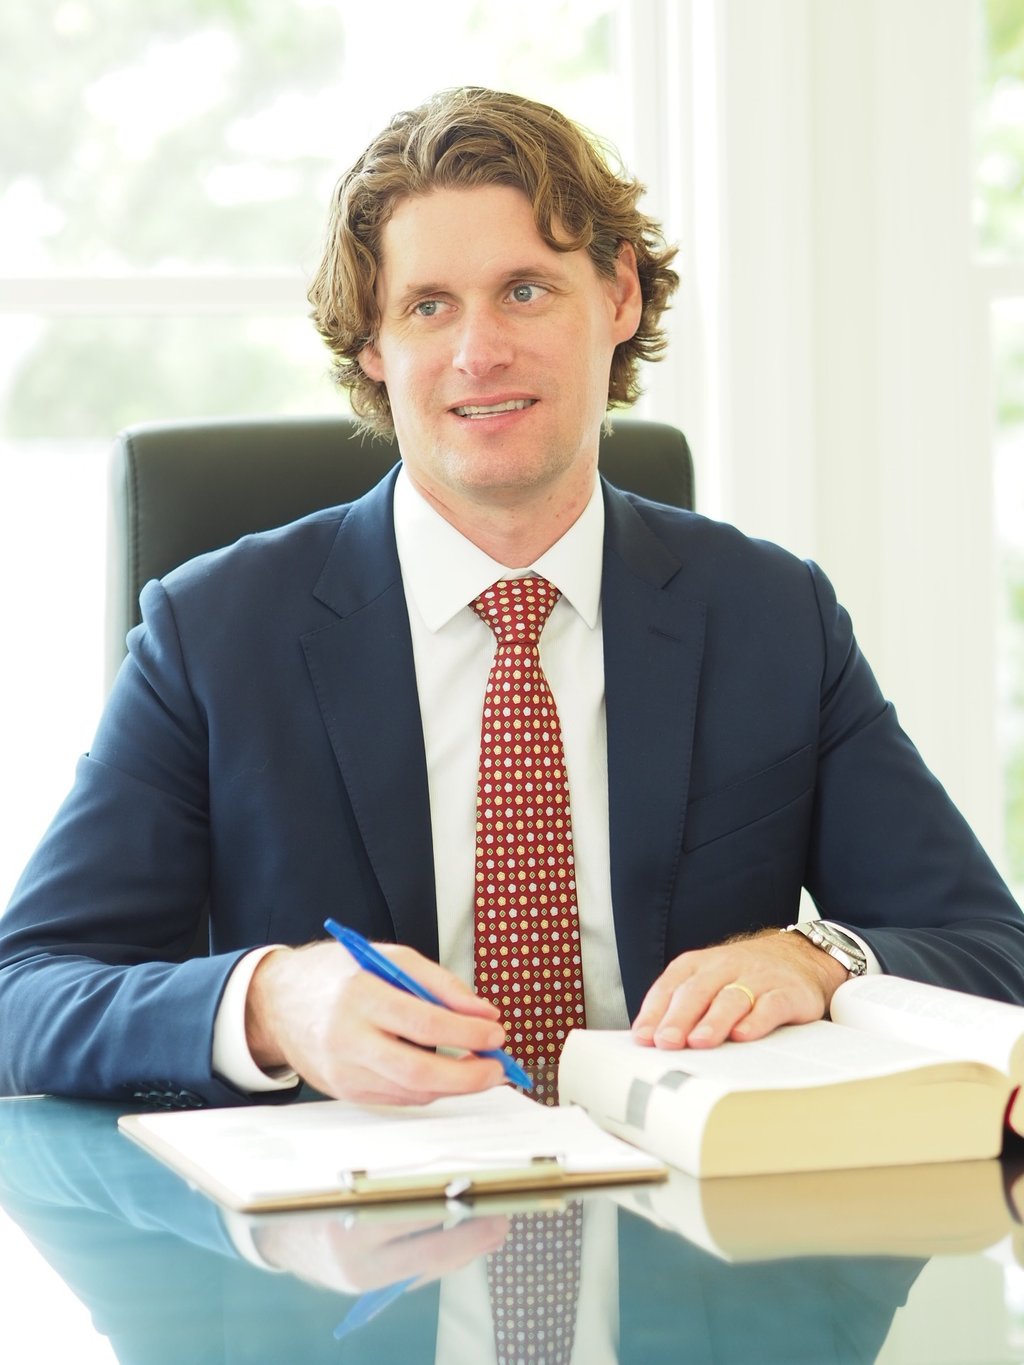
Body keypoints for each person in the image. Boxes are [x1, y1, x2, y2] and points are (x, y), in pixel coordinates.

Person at [1, 86, 1022, 1111]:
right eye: (428, 306)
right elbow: (24, 992)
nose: (478, 352)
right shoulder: (213, 634)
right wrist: (271, 1001)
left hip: (683, 1195)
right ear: (374, 344)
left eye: (525, 291)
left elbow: (989, 948)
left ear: (619, 295)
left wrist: (815, 958)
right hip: (358, 1198)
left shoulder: (772, 616)